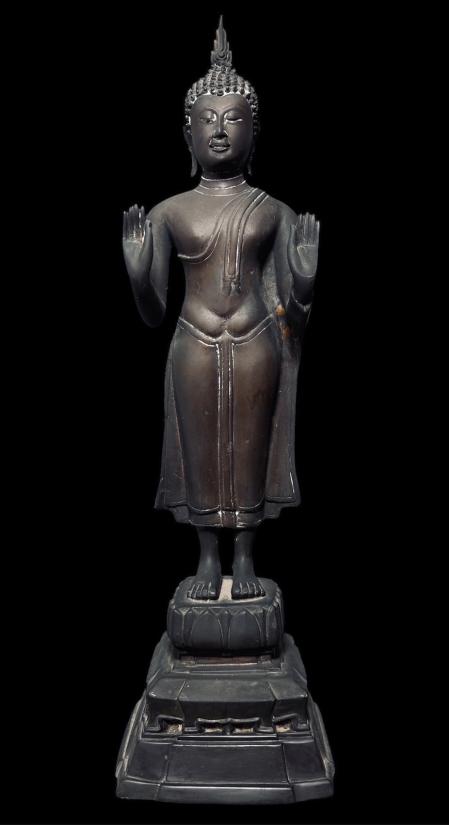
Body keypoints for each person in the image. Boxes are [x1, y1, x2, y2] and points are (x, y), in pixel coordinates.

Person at [122, 18, 319, 601]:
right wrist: (138, 276)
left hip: (258, 340)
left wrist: (305, 286)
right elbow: (154, 313)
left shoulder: (274, 211)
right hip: (194, 342)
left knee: (251, 447)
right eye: (207, 119)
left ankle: (247, 555)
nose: (220, 130)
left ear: (255, 131)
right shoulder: (169, 212)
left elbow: (291, 316)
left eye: (234, 118)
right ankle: (208, 556)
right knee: (200, 450)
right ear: (187, 134)